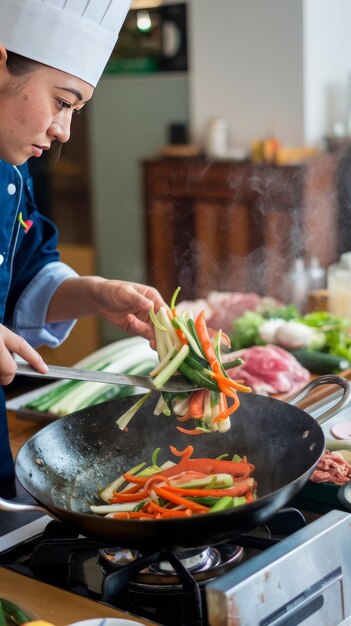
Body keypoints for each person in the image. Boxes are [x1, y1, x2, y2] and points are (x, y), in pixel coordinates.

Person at [0, 0, 165, 488]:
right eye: (62, 102)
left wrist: (94, 293)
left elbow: (25, 276)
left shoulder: (10, 171)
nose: (63, 130)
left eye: (75, 110)